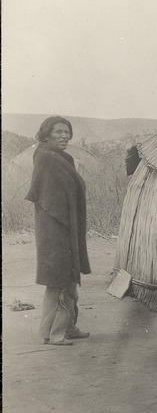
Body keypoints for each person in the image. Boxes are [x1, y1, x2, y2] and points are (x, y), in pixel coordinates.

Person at [26, 116, 91, 346]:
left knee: (67, 280)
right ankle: (55, 334)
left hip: (66, 227)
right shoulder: (44, 158)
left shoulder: (63, 158)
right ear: (46, 134)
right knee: (58, 280)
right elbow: (47, 198)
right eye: (59, 132)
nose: (64, 136)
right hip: (54, 228)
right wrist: (65, 226)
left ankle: (65, 328)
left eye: (67, 132)